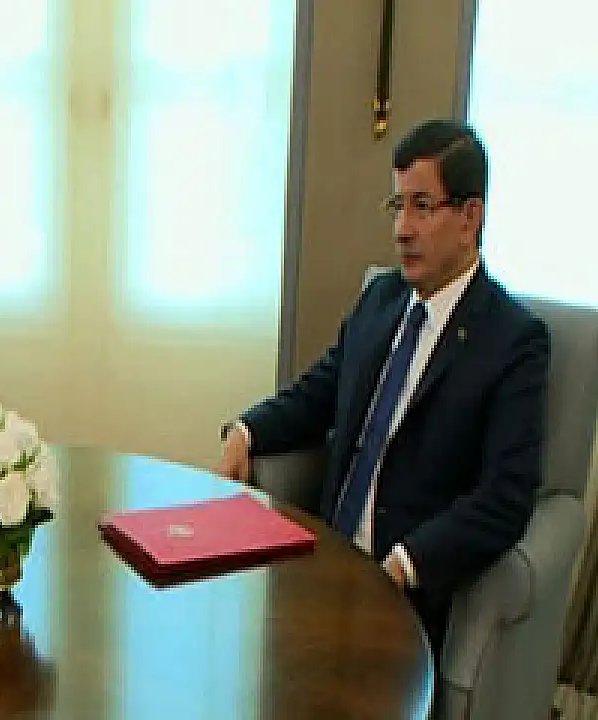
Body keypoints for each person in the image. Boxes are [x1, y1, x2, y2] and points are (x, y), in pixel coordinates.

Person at [217, 118, 550, 663]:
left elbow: (505, 496)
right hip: (325, 563)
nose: (401, 229)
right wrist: (247, 430)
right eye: (397, 205)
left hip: (403, 590)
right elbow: (319, 392)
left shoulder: (512, 341)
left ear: (470, 218)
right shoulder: (382, 300)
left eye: (422, 206)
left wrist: (407, 562)